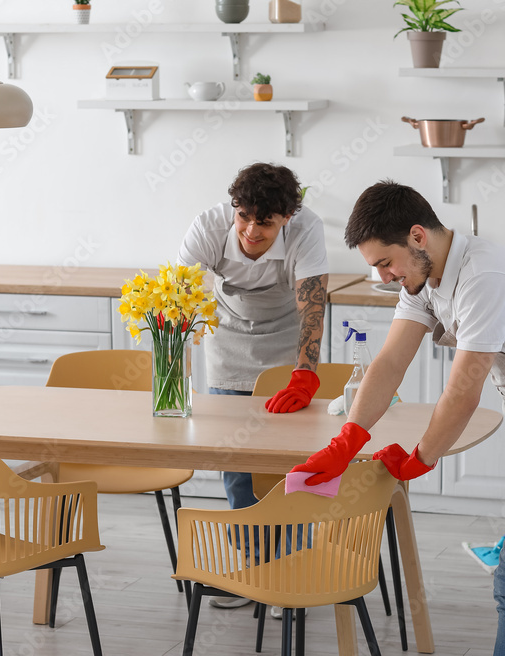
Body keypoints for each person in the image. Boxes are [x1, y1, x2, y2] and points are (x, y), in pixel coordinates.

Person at [292, 181, 505, 655]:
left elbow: (464, 390)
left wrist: (421, 457)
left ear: (418, 237)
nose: (384, 276)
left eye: (386, 262)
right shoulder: (423, 276)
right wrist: (348, 438)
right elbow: (390, 362)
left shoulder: (485, 277)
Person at [176, 162, 329, 610]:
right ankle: (255, 568)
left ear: (286, 217)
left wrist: (305, 371)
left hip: (286, 343)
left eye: (265, 222)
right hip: (228, 343)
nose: (251, 230)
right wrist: (174, 369)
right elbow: (180, 297)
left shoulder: (307, 230)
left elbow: (313, 304)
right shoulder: (209, 226)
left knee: (293, 464)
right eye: (244, 216)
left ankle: (293, 567)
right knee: (238, 464)